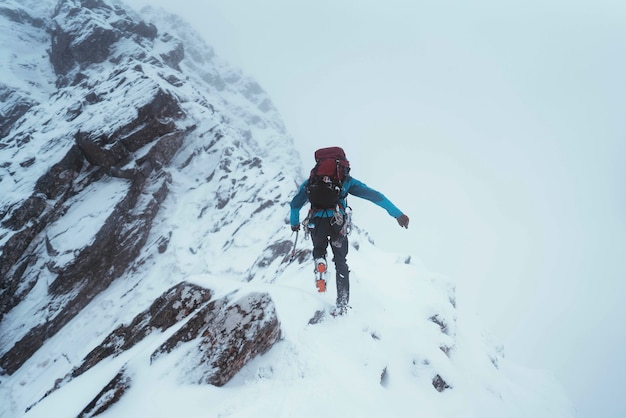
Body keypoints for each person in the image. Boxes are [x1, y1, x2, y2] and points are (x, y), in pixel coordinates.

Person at [290, 151, 409, 316]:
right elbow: (375, 196)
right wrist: (397, 214)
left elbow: (295, 204)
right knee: (340, 261)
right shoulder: (345, 180)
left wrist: (294, 223)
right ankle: (342, 305)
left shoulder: (312, 181)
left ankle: (320, 263)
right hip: (337, 224)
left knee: (319, 249)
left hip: (316, 223)